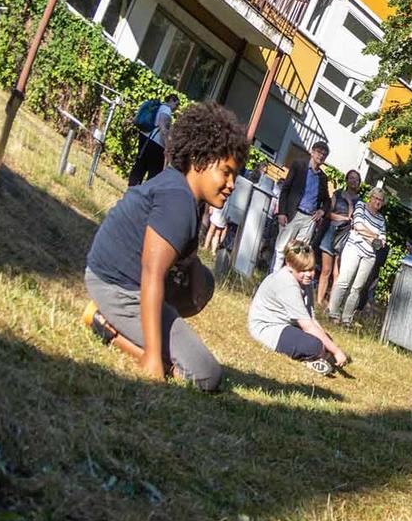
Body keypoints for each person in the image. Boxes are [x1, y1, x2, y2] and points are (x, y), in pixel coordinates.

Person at [81, 102, 247, 391]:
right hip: (119, 287)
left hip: (121, 277)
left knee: (204, 281)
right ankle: (106, 325)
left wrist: (194, 271)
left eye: (235, 176)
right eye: (226, 172)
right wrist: (152, 360)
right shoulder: (178, 201)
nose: (231, 184)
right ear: (198, 159)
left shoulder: (182, 189)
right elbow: (151, 273)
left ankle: (149, 332)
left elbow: (180, 255)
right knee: (206, 376)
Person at [248, 240, 350, 375]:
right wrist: (335, 351)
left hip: (288, 324)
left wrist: (329, 345)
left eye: (311, 269)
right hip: (268, 328)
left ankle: (317, 355)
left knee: (325, 340)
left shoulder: (303, 281)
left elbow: (311, 318)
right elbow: (307, 326)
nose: (309, 274)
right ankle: (311, 359)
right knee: (315, 346)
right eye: (303, 270)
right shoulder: (287, 283)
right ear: (289, 266)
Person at [326, 185, 388, 324]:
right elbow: (358, 225)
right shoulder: (361, 206)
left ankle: (347, 318)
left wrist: (368, 235)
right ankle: (333, 312)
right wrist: (374, 236)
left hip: (369, 256)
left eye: (381, 200)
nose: (377, 201)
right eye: (375, 198)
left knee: (357, 288)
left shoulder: (381, 219)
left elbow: (382, 242)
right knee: (344, 281)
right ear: (370, 198)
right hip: (353, 248)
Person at [272, 142, 329, 271]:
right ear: (312, 152)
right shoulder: (298, 166)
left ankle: (287, 278)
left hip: (309, 219)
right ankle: (273, 275)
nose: (321, 156)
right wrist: (282, 212)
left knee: (298, 252)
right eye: (319, 152)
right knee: (281, 248)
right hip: (293, 213)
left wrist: (322, 211)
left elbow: (327, 201)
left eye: (324, 155)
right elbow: (285, 189)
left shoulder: (323, 178)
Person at [315, 168, 361, 307]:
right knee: (326, 270)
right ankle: (319, 300)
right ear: (346, 180)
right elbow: (328, 213)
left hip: (346, 237)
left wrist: (350, 204)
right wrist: (344, 217)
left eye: (356, 179)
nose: (353, 180)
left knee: (337, 274)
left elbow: (353, 220)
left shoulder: (360, 202)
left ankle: (331, 306)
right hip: (331, 232)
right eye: (351, 178)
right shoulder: (337, 194)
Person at [125, 93, 177, 188]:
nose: (176, 108)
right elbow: (162, 125)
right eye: (176, 104)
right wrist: (167, 144)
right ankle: (146, 193)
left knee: (141, 163)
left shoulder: (158, 106)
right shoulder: (167, 109)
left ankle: (132, 187)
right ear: (172, 100)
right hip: (155, 143)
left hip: (145, 136)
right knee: (154, 171)